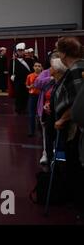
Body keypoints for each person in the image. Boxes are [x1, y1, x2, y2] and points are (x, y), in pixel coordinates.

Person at [53, 37, 84, 220]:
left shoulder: (75, 70)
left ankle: (77, 201)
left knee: (76, 164)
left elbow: (77, 103)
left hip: (75, 127)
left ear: (64, 53)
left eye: (59, 51)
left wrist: (62, 119)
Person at [10, 43, 33, 114]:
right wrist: (11, 76)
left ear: (24, 51)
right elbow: (10, 70)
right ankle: (18, 108)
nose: (20, 52)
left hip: (26, 80)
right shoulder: (13, 61)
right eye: (19, 51)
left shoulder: (29, 60)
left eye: (22, 50)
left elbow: (31, 71)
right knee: (18, 95)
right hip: (18, 81)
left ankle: (25, 108)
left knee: (26, 95)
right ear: (16, 51)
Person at [26, 61, 43, 137]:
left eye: (39, 66)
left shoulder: (44, 76)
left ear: (41, 68)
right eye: (35, 66)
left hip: (41, 97)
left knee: (41, 114)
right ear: (33, 67)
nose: (37, 67)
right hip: (32, 96)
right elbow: (27, 85)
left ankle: (41, 130)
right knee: (31, 114)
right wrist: (29, 87)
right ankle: (31, 131)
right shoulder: (29, 76)